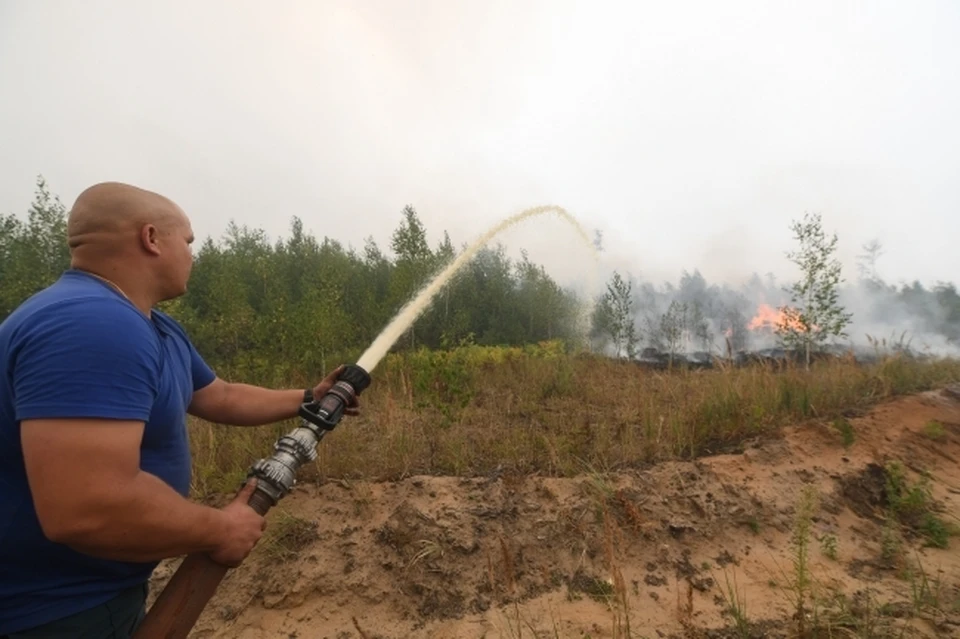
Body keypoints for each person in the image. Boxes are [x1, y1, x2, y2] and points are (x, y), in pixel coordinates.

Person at [0, 182, 360, 638]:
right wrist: (219, 530)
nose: (194, 255)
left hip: (95, 596)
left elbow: (218, 395)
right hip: (54, 613)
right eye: (188, 242)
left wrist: (309, 397)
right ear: (151, 238)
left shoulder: (148, 324)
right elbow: (87, 507)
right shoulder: (92, 324)